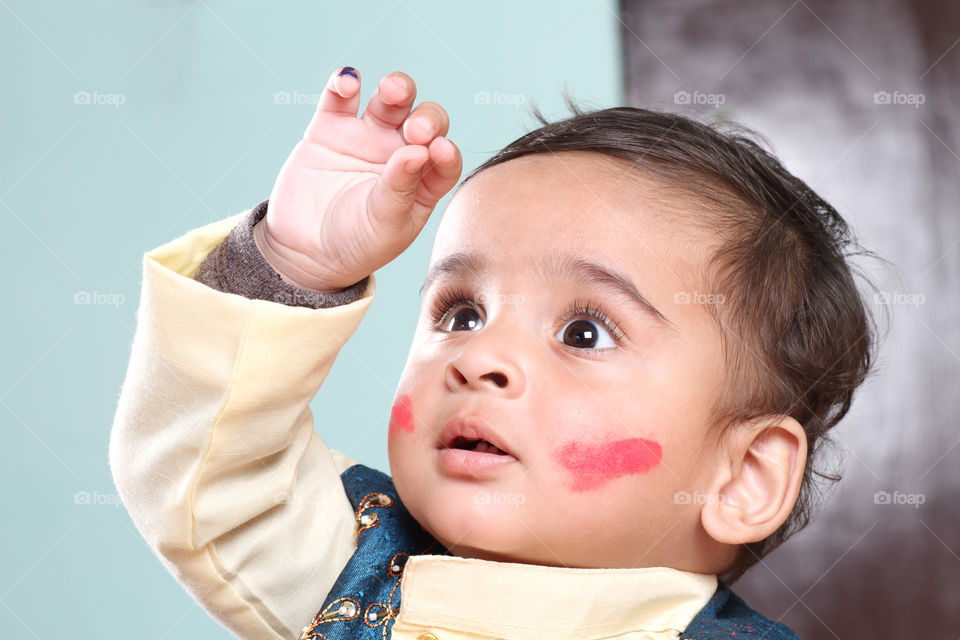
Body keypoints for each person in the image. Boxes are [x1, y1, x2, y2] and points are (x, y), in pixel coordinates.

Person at [109, 66, 875, 640]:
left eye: (584, 332)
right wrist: (293, 263)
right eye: (461, 312)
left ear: (742, 476)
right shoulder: (356, 566)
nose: (479, 360)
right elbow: (211, 470)